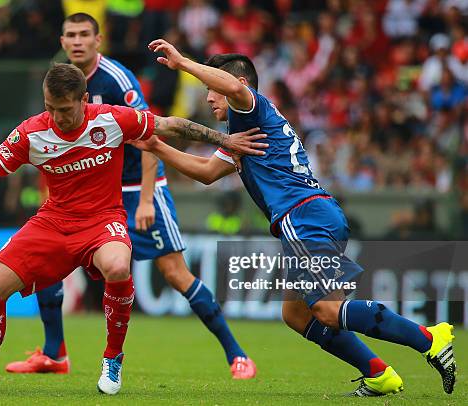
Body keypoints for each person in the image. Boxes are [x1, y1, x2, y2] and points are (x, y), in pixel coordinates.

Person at [130, 39, 457, 396]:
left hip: (304, 216)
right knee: (297, 314)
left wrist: (184, 63)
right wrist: (157, 146)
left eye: (212, 89)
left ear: (237, 86)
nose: (209, 97)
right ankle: (378, 373)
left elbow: (234, 87)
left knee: (328, 311)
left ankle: (428, 338)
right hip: (311, 215)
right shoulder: (244, 134)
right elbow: (206, 172)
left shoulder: (250, 107)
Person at [0, 62, 265, 394]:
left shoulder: (112, 119)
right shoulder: (32, 132)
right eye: (50, 108)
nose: (57, 117)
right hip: (53, 222)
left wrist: (225, 140)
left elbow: (169, 125)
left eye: (64, 109)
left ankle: (112, 358)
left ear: (84, 99)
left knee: (118, 266)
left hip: (104, 220)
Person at [5, 12, 256, 379]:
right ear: (62, 42)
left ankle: (237, 355)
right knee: (49, 264)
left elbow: (148, 134)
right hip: (90, 193)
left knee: (174, 272)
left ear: (97, 40)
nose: (76, 41)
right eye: (70, 35)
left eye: (83, 35)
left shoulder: (118, 79)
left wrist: (145, 198)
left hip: (137, 187)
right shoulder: (61, 82)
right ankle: (54, 353)